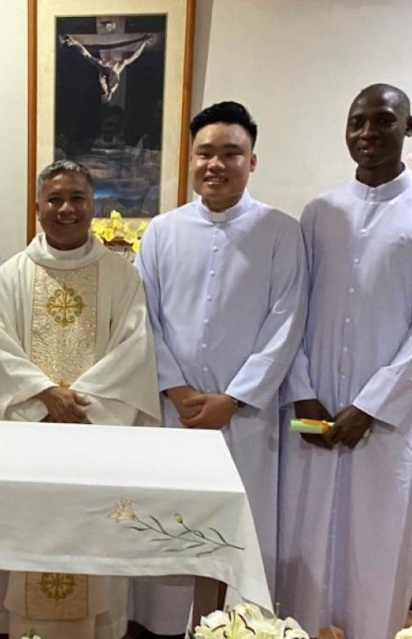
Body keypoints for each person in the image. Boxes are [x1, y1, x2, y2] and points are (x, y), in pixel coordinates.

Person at [276, 84, 412, 639]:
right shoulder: (319, 212)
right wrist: (302, 390)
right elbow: (293, 309)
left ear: (408, 127)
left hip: (386, 419)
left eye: (383, 121)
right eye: (357, 122)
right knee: (305, 542)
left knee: (378, 547)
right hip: (314, 410)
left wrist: (372, 406)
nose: (367, 133)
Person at [130, 101, 307, 638]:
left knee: (238, 531)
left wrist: (234, 398)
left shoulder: (281, 232)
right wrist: (175, 387)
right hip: (175, 413)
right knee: (168, 519)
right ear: (190, 159)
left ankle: (234, 629)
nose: (215, 164)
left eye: (231, 153)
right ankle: (164, 627)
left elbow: (286, 322)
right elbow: (144, 318)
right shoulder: (162, 231)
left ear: (252, 161)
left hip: (245, 418)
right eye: (204, 152)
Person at [0, 159, 161, 639]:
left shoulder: (121, 276)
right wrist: (44, 394)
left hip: (95, 436)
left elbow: (133, 349)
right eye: (54, 199)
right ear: (37, 206)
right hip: (29, 438)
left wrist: (77, 403)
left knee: (94, 535)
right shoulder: (11, 275)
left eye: (77, 198)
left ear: (93, 205)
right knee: (26, 535)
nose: (66, 208)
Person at [61, 33, 156, 103]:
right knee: (117, 63)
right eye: (109, 66)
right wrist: (144, 42)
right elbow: (134, 56)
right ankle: (107, 95)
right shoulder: (117, 68)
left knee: (99, 63)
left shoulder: (102, 68)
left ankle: (106, 95)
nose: (109, 64)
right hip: (111, 74)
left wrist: (76, 43)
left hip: (106, 74)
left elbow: (87, 55)